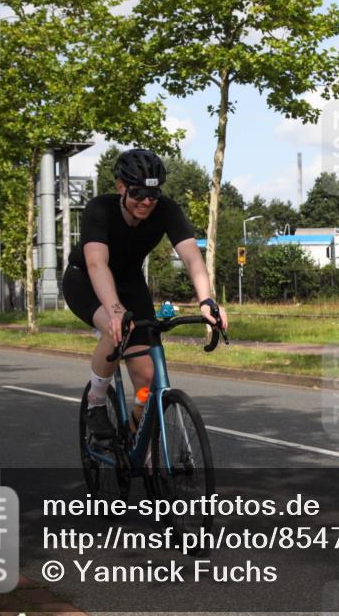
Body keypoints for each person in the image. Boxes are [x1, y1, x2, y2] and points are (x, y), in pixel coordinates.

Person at [62, 148, 228, 439]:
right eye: (138, 193)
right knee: (116, 329)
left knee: (148, 379)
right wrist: (114, 311)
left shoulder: (165, 209)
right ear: (121, 188)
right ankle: (96, 401)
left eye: (154, 194)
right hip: (86, 280)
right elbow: (96, 263)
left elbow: (192, 258)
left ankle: (138, 436)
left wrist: (206, 301)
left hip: (131, 282)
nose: (147, 202)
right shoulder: (100, 209)